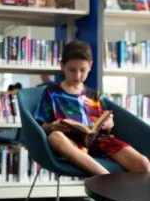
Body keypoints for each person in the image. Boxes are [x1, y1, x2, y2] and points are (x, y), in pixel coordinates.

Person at [34, 40, 150, 175]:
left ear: (90, 66)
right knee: (55, 137)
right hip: (71, 143)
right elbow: (40, 125)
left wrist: (108, 124)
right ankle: (105, 178)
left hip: (99, 142)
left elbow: (103, 124)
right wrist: (51, 127)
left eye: (82, 70)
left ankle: (130, 194)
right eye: (72, 70)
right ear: (62, 66)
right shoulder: (51, 92)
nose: (77, 76)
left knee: (144, 164)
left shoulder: (94, 95)